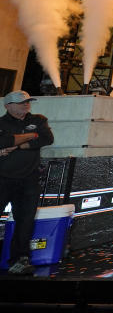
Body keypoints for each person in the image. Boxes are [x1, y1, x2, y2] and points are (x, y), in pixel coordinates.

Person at [0, 90, 54, 275]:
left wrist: (15, 145)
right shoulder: (1, 122)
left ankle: (20, 259)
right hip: (2, 178)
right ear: (8, 106)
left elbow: (47, 138)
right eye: (21, 102)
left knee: (25, 222)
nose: (26, 105)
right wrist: (31, 136)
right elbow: (2, 141)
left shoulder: (38, 119)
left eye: (28, 102)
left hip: (29, 179)